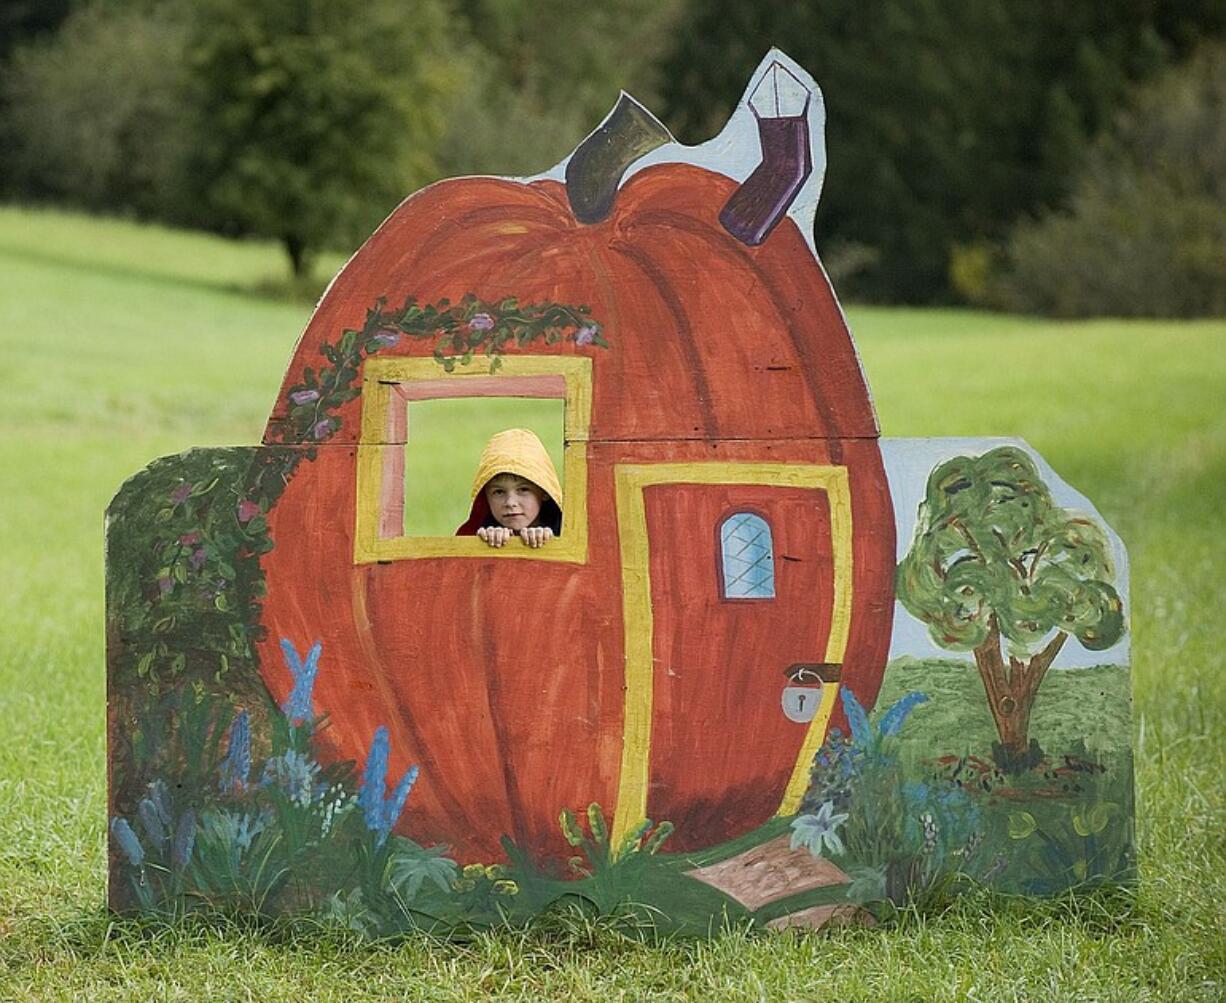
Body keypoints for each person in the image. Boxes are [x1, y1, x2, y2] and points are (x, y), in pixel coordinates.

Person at [456, 428, 562, 548]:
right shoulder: (483, 534)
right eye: (499, 492)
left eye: (523, 490)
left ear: (545, 491)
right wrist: (485, 542)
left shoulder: (566, 533)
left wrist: (549, 540)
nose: (510, 503)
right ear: (485, 496)